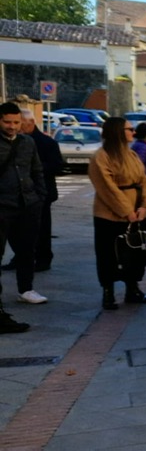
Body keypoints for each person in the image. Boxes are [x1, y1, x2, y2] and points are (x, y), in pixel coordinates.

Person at [88, 116, 146, 311]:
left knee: (133, 252)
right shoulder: (101, 156)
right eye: (128, 129)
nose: (132, 132)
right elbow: (107, 187)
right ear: (117, 132)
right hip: (108, 215)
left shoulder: (131, 155)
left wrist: (144, 206)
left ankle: (132, 289)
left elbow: (143, 181)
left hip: (135, 211)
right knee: (108, 254)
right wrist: (126, 211)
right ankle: (108, 293)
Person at [1, 102, 46, 328]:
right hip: (2, 205)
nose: (12, 126)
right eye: (7, 122)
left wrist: (39, 196)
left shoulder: (28, 142)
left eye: (16, 122)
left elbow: (37, 170)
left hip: (27, 204)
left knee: (27, 249)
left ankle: (26, 289)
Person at [19, 109, 62, 271]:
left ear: (30, 123)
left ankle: (43, 259)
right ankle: (21, 258)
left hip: (41, 192)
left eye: (20, 123)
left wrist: (33, 169)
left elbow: (56, 165)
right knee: (20, 229)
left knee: (42, 227)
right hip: (21, 192)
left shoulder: (46, 142)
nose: (17, 127)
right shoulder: (17, 141)